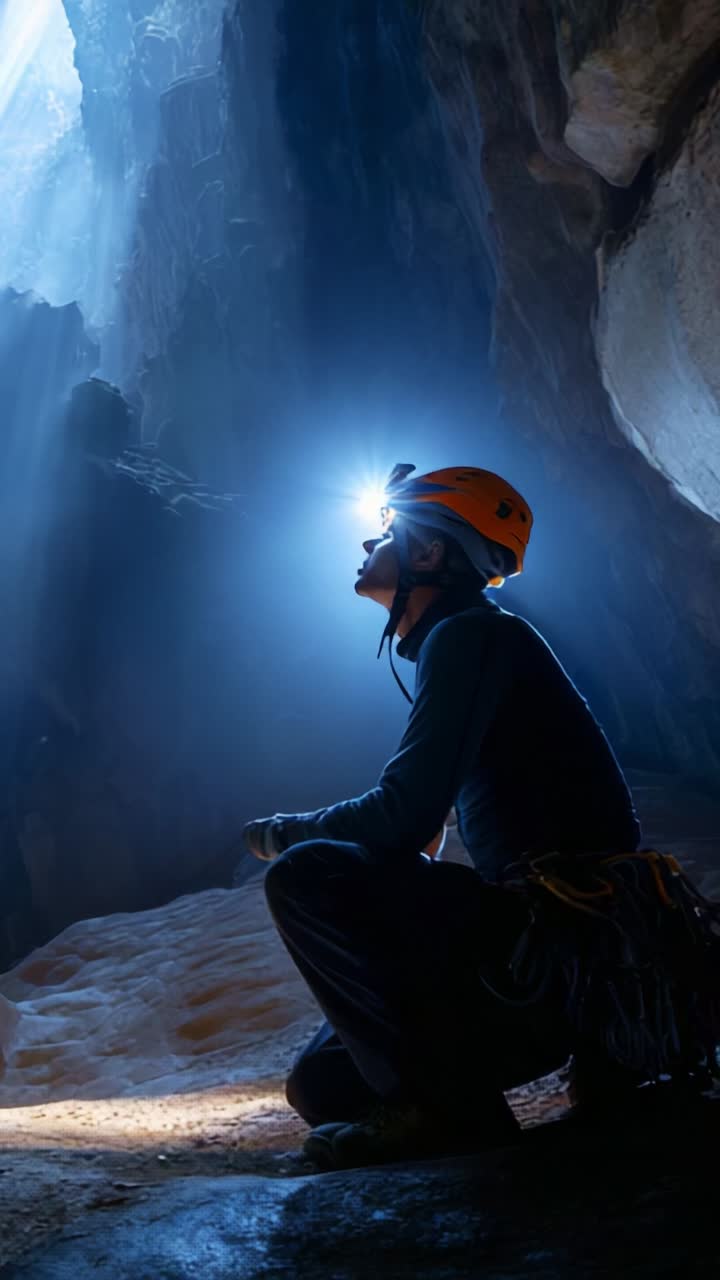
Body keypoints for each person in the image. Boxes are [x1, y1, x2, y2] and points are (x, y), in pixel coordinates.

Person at [243, 464, 647, 1170]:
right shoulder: (472, 640)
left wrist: (282, 833)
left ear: (429, 555)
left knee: (308, 874)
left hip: (553, 953)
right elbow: (423, 827)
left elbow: (403, 816)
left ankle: (456, 1119)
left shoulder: (471, 636)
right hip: (549, 956)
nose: (368, 544)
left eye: (389, 532)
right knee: (323, 1083)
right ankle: (445, 1097)